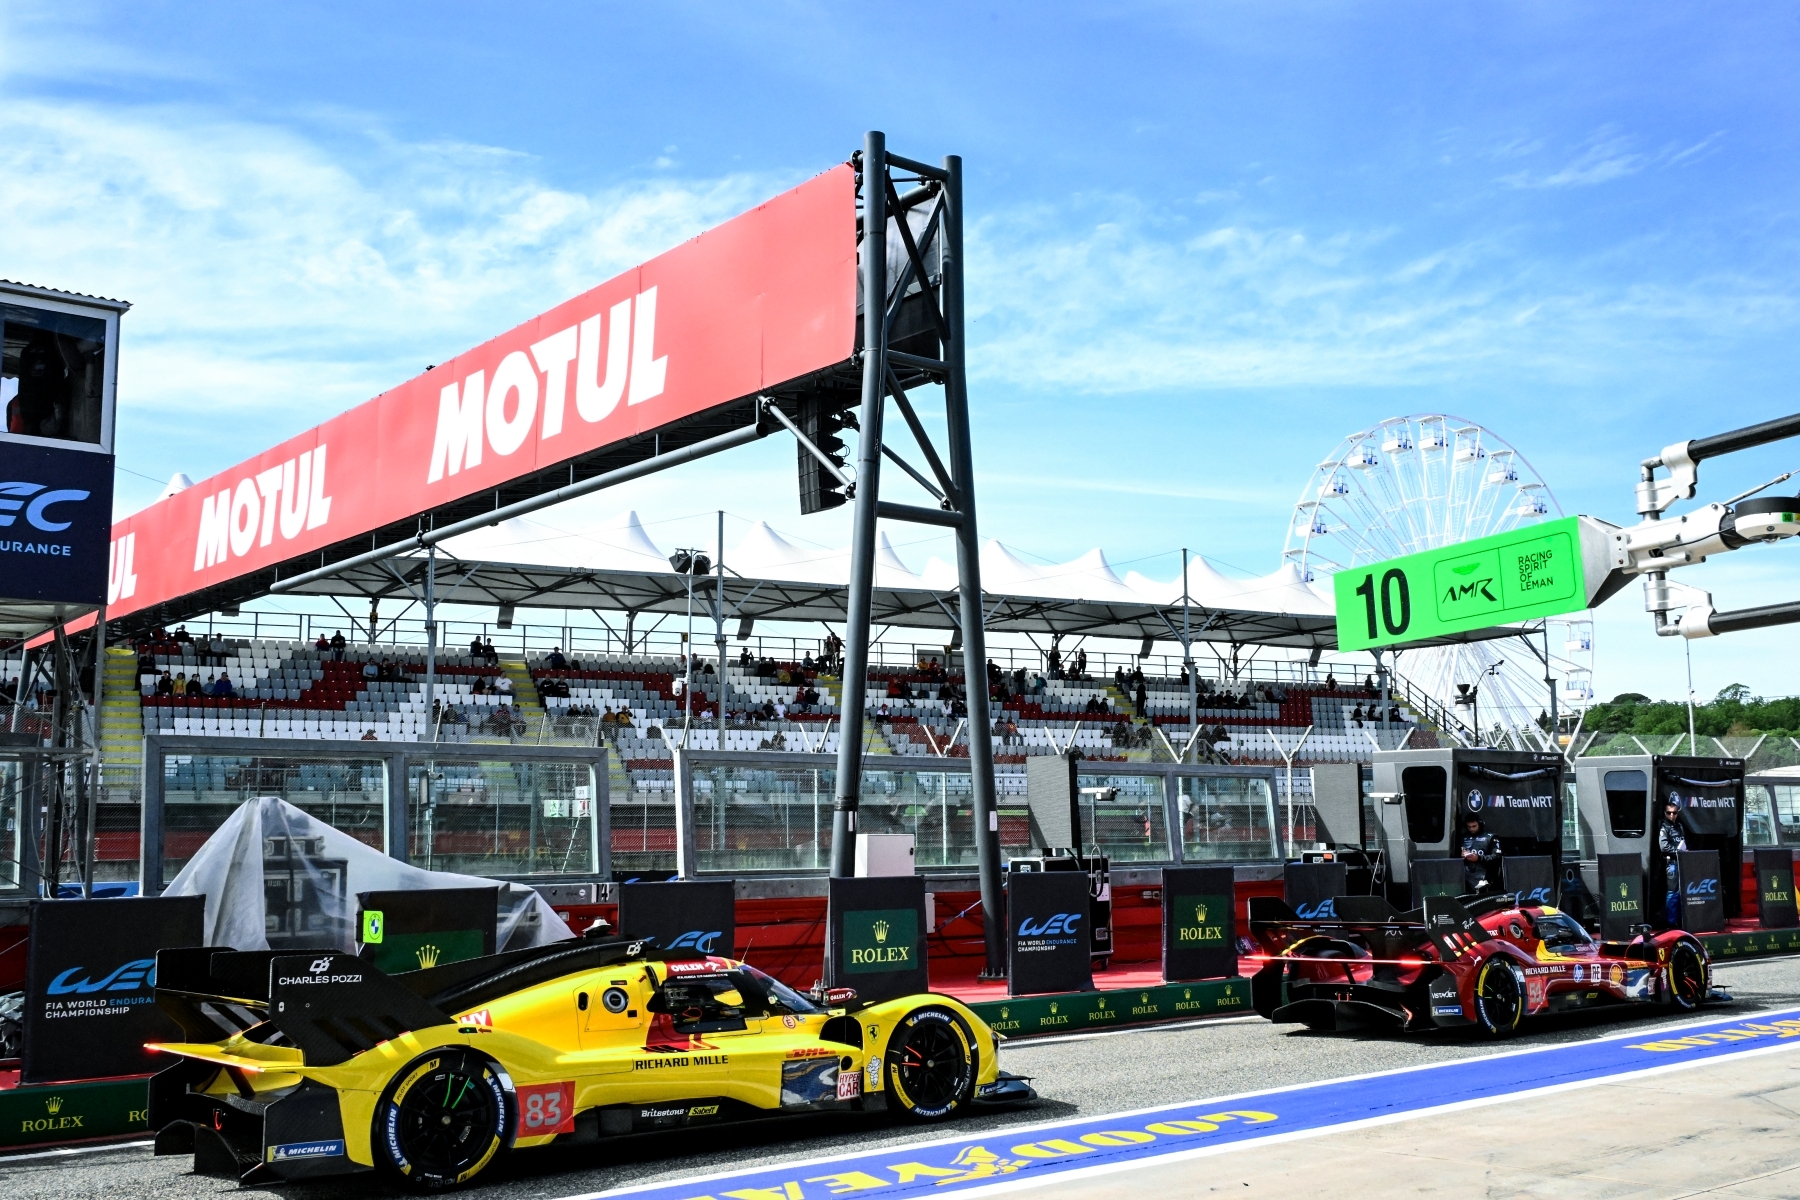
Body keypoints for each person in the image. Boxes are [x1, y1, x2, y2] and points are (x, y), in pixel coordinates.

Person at [1659, 796, 1689, 926]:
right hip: (1672, 864)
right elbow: (1663, 846)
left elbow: (1682, 842)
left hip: (1682, 862)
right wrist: (1678, 851)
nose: (1672, 815)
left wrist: (1685, 851)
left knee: (1683, 893)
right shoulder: (1663, 827)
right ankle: (1671, 923)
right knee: (1673, 893)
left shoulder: (1680, 826)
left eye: (1674, 812)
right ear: (1665, 813)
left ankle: (1682, 921)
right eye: (1669, 813)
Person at [1459, 815, 1502, 893]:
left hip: (1485, 877)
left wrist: (1479, 858)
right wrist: (1462, 855)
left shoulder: (1491, 837)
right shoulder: (1464, 837)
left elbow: (1497, 857)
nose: (1471, 829)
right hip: (1466, 877)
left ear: (1480, 824)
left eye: (1474, 826)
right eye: (1469, 827)